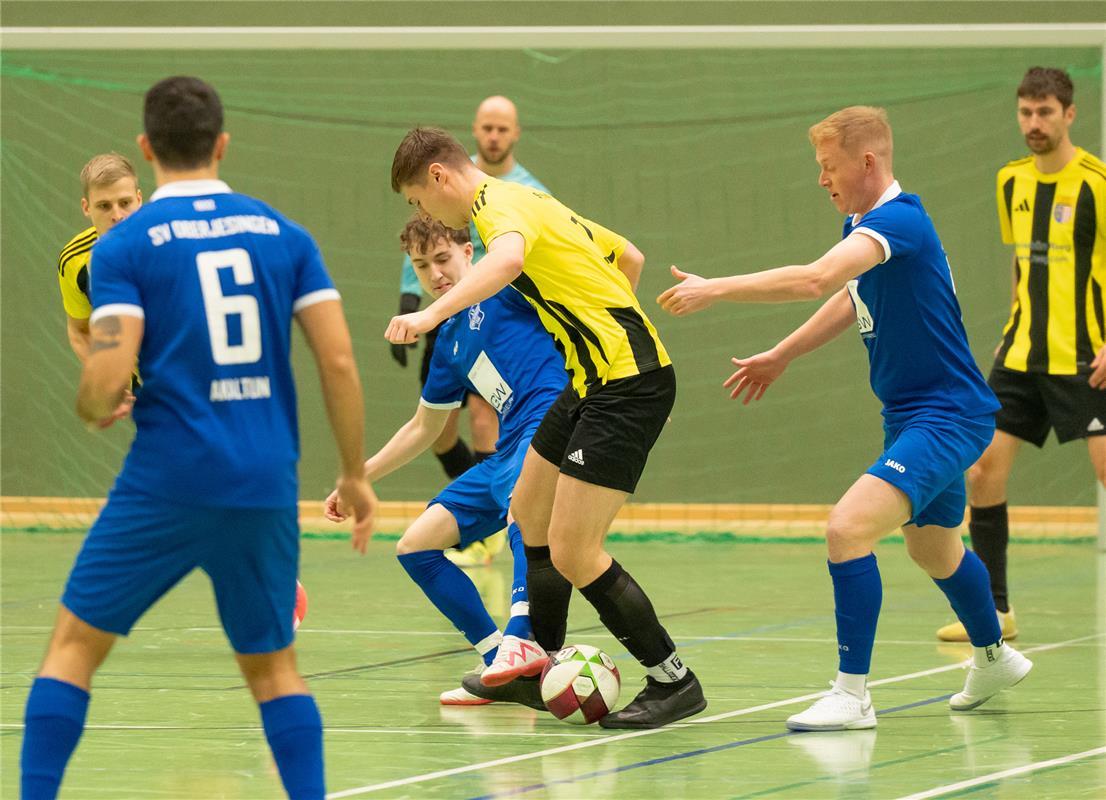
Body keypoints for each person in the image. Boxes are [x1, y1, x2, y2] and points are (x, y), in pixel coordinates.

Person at [19, 76, 375, 800]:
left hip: (167, 479)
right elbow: (337, 359)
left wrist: (95, 401)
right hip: (265, 479)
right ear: (222, 144)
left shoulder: (122, 249)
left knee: (72, 651)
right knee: (275, 672)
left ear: (147, 150)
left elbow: (108, 368)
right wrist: (354, 475)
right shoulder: (285, 234)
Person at [658, 106, 1032, 731]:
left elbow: (814, 281)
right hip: (914, 414)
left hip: (946, 414)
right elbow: (846, 295)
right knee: (934, 547)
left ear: (867, 161)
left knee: (846, 529)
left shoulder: (900, 220)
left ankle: (852, 694)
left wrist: (714, 287)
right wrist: (781, 354)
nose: (822, 179)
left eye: (829, 167)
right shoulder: (864, 227)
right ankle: (993, 655)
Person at [386, 127, 706, 729]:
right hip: (589, 380)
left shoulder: (496, 210)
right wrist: (596, 324)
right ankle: (537, 662)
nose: (423, 214)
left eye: (418, 200)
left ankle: (672, 679)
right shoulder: (530, 199)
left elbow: (507, 262)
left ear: (437, 177)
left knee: (575, 550)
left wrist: (430, 312)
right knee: (528, 513)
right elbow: (627, 255)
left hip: (628, 386)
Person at [325, 216, 566, 707]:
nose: (434, 274)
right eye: (421, 266)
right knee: (415, 546)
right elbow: (423, 428)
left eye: (442, 259)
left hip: (549, 427)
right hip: (507, 449)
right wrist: (357, 477)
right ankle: (498, 658)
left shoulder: (509, 289)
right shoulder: (449, 341)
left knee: (525, 506)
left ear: (468, 253)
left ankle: (523, 637)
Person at [936, 67, 1106, 643]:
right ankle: (995, 611)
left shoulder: (1098, 183)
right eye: (1026, 113)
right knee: (982, 470)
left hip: (1088, 354)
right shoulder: (1011, 181)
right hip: (1022, 354)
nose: (1034, 124)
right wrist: (1012, 327)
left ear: (1069, 115)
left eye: (1045, 113)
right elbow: (1020, 263)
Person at [391, 99, 549, 557]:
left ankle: (500, 519)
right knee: (437, 431)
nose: (494, 136)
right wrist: (410, 300)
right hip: (445, 316)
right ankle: (483, 508)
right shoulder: (446, 182)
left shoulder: (524, 191)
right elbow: (426, 241)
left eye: (503, 128)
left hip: (496, 315)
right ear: (475, 132)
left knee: (486, 416)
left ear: (515, 133)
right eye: (487, 128)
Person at [57, 153, 143, 423]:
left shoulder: (171, 241)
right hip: (150, 395)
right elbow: (80, 331)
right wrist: (112, 381)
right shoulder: (74, 262)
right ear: (86, 207)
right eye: (104, 206)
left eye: (125, 203)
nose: (117, 215)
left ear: (139, 200)